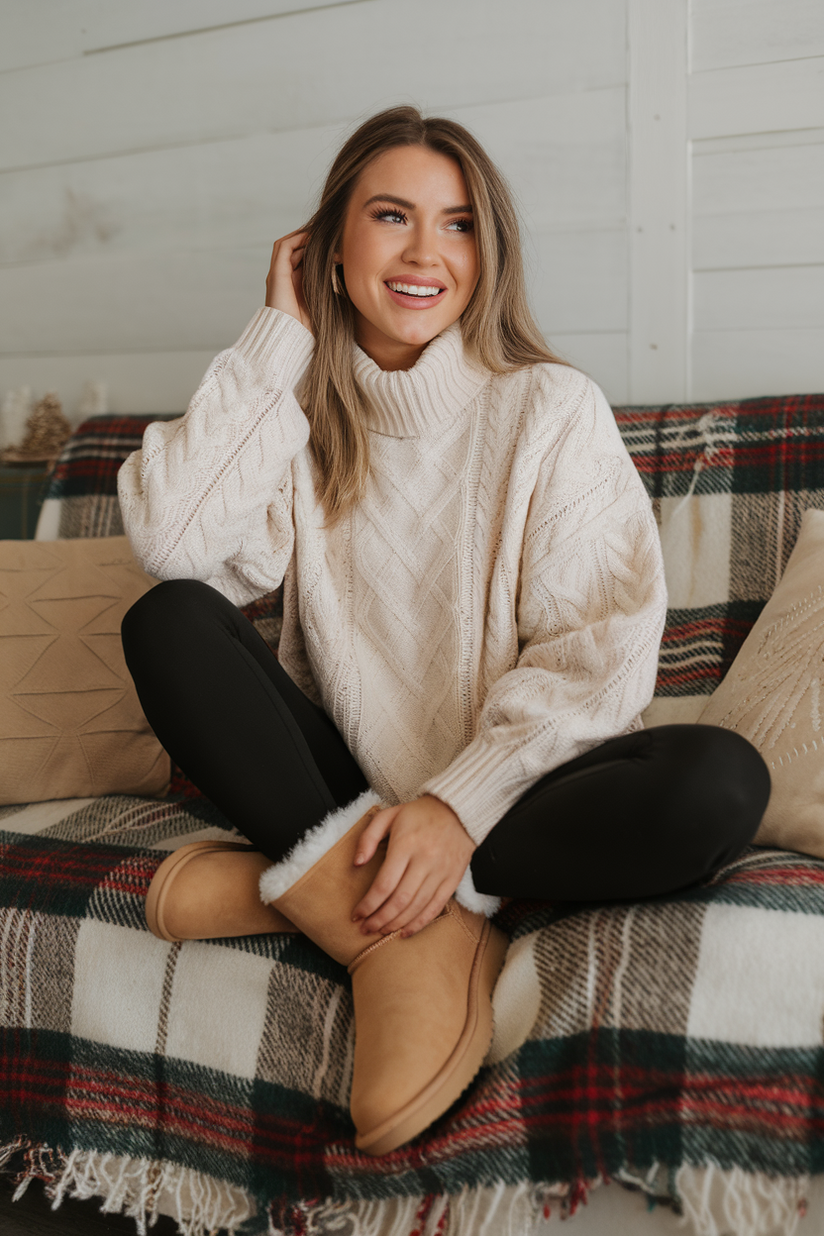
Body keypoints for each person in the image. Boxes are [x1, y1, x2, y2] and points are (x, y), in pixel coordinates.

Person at [118, 105, 770, 1156]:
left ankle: (320, 891)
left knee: (719, 781)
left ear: (487, 252)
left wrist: (455, 809)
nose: (427, 252)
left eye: (458, 224)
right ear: (329, 252)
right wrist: (276, 338)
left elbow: (595, 655)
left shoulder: (548, 408)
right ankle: (408, 937)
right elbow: (169, 538)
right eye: (391, 217)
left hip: (510, 798)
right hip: (349, 790)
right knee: (168, 622)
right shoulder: (296, 424)